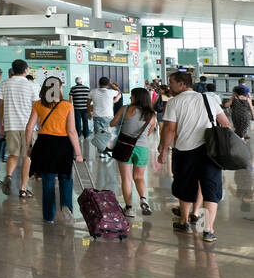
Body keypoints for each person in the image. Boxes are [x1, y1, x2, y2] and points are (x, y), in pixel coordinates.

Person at [160, 69, 229, 243]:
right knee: (211, 190)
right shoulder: (209, 99)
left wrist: (162, 150)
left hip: (185, 151)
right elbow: (225, 123)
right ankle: (208, 230)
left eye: (172, 82)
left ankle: (184, 222)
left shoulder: (175, 102)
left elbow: (169, 129)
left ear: (182, 84)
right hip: (210, 152)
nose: (170, 85)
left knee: (185, 186)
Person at [26, 75, 82, 224]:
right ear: (59, 89)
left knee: (48, 180)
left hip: (44, 144)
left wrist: (29, 146)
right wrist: (78, 153)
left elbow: (30, 127)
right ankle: (66, 207)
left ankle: (48, 216)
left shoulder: (38, 104)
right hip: (63, 145)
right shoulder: (67, 106)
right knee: (65, 178)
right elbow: (72, 131)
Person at [109, 87, 157, 217]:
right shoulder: (152, 115)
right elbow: (148, 133)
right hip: (142, 148)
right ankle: (143, 199)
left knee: (126, 178)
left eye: (132, 96)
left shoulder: (125, 109)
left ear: (137, 97)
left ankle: (129, 208)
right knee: (139, 177)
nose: (130, 98)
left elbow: (112, 123)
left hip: (125, 146)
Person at [0, 59, 37, 198]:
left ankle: (9, 175)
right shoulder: (31, 85)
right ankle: (23, 188)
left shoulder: (5, 84)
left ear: (13, 70)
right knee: (27, 157)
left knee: (13, 155)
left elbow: (0, 106)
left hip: (11, 124)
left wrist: (0, 123)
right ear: (26, 70)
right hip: (28, 126)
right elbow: (35, 107)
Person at [89, 76, 121, 159]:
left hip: (97, 117)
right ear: (107, 84)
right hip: (108, 117)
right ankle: (108, 151)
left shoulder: (93, 91)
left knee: (98, 135)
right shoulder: (111, 92)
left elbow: (88, 102)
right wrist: (111, 84)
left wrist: (88, 112)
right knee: (108, 135)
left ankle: (102, 152)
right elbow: (119, 91)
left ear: (99, 83)